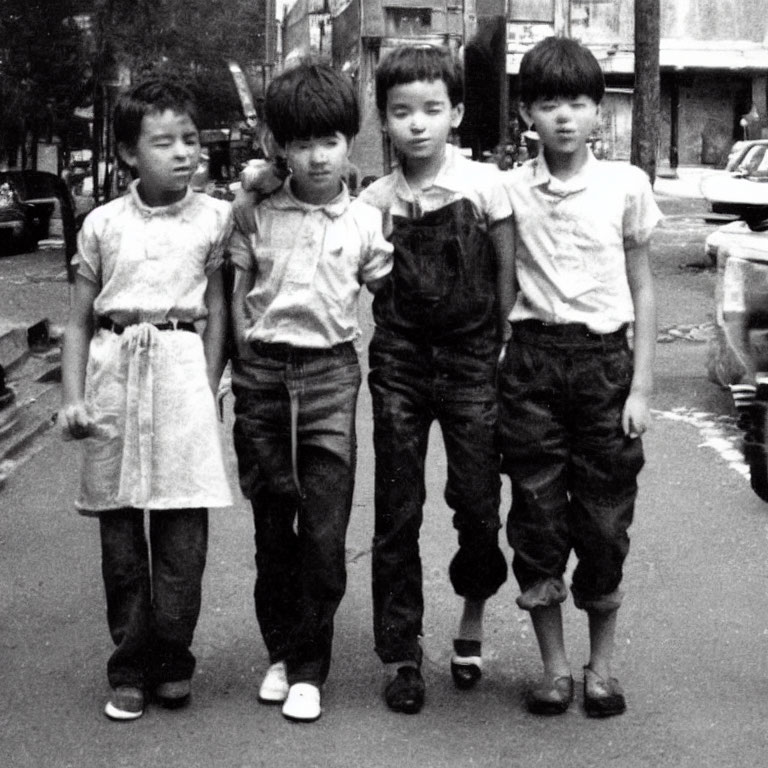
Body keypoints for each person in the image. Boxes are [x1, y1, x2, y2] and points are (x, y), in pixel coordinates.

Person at [498, 36, 661, 718]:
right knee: (536, 518)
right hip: (533, 364)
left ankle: (602, 665)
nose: (564, 116)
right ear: (527, 113)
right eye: (548, 102)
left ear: (600, 110)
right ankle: (556, 669)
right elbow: (502, 285)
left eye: (579, 102)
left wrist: (642, 386)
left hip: (604, 367)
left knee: (603, 522)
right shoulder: (507, 190)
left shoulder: (626, 185)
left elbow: (645, 289)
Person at [60, 78, 232, 721]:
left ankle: (173, 660)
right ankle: (129, 664)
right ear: (130, 154)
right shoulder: (101, 224)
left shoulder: (216, 218)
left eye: (190, 139)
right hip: (114, 379)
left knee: (184, 531)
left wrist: (207, 381)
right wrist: (74, 398)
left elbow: (217, 310)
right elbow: (78, 320)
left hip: (182, 375)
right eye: (164, 142)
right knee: (122, 536)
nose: (183, 152)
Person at [228, 61, 393, 724]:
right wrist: (237, 363)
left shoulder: (363, 221)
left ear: (349, 141)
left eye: (330, 140)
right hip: (263, 379)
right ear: (281, 146)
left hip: (329, 377)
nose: (318, 154)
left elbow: (395, 294)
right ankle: (280, 653)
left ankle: (309, 669)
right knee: (274, 529)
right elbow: (235, 296)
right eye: (302, 142)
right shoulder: (255, 211)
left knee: (324, 533)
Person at [358, 44, 515, 714]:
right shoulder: (372, 200)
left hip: (474, 357)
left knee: (478, 505)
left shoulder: (486, 186)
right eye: (401, 112)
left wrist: (505, 343)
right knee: (396, 512)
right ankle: (401, 655)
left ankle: (472, 620)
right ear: (384, 119)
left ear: (455, 112)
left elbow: (509, 275)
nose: (417, 124)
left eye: (431, 109)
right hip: (398, 360)